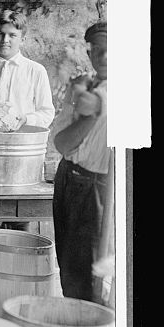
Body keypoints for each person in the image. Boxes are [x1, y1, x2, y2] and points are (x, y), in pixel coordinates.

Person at [50, 21, 112, 300]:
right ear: (89, 54)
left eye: (110, 49)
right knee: (69, 268)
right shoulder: (84, 84)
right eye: (97, 50)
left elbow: (94, 106)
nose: (104, 57)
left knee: (90, 274)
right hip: (68, 178)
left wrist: (91, 106)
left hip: (98, 187)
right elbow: (61, 142)